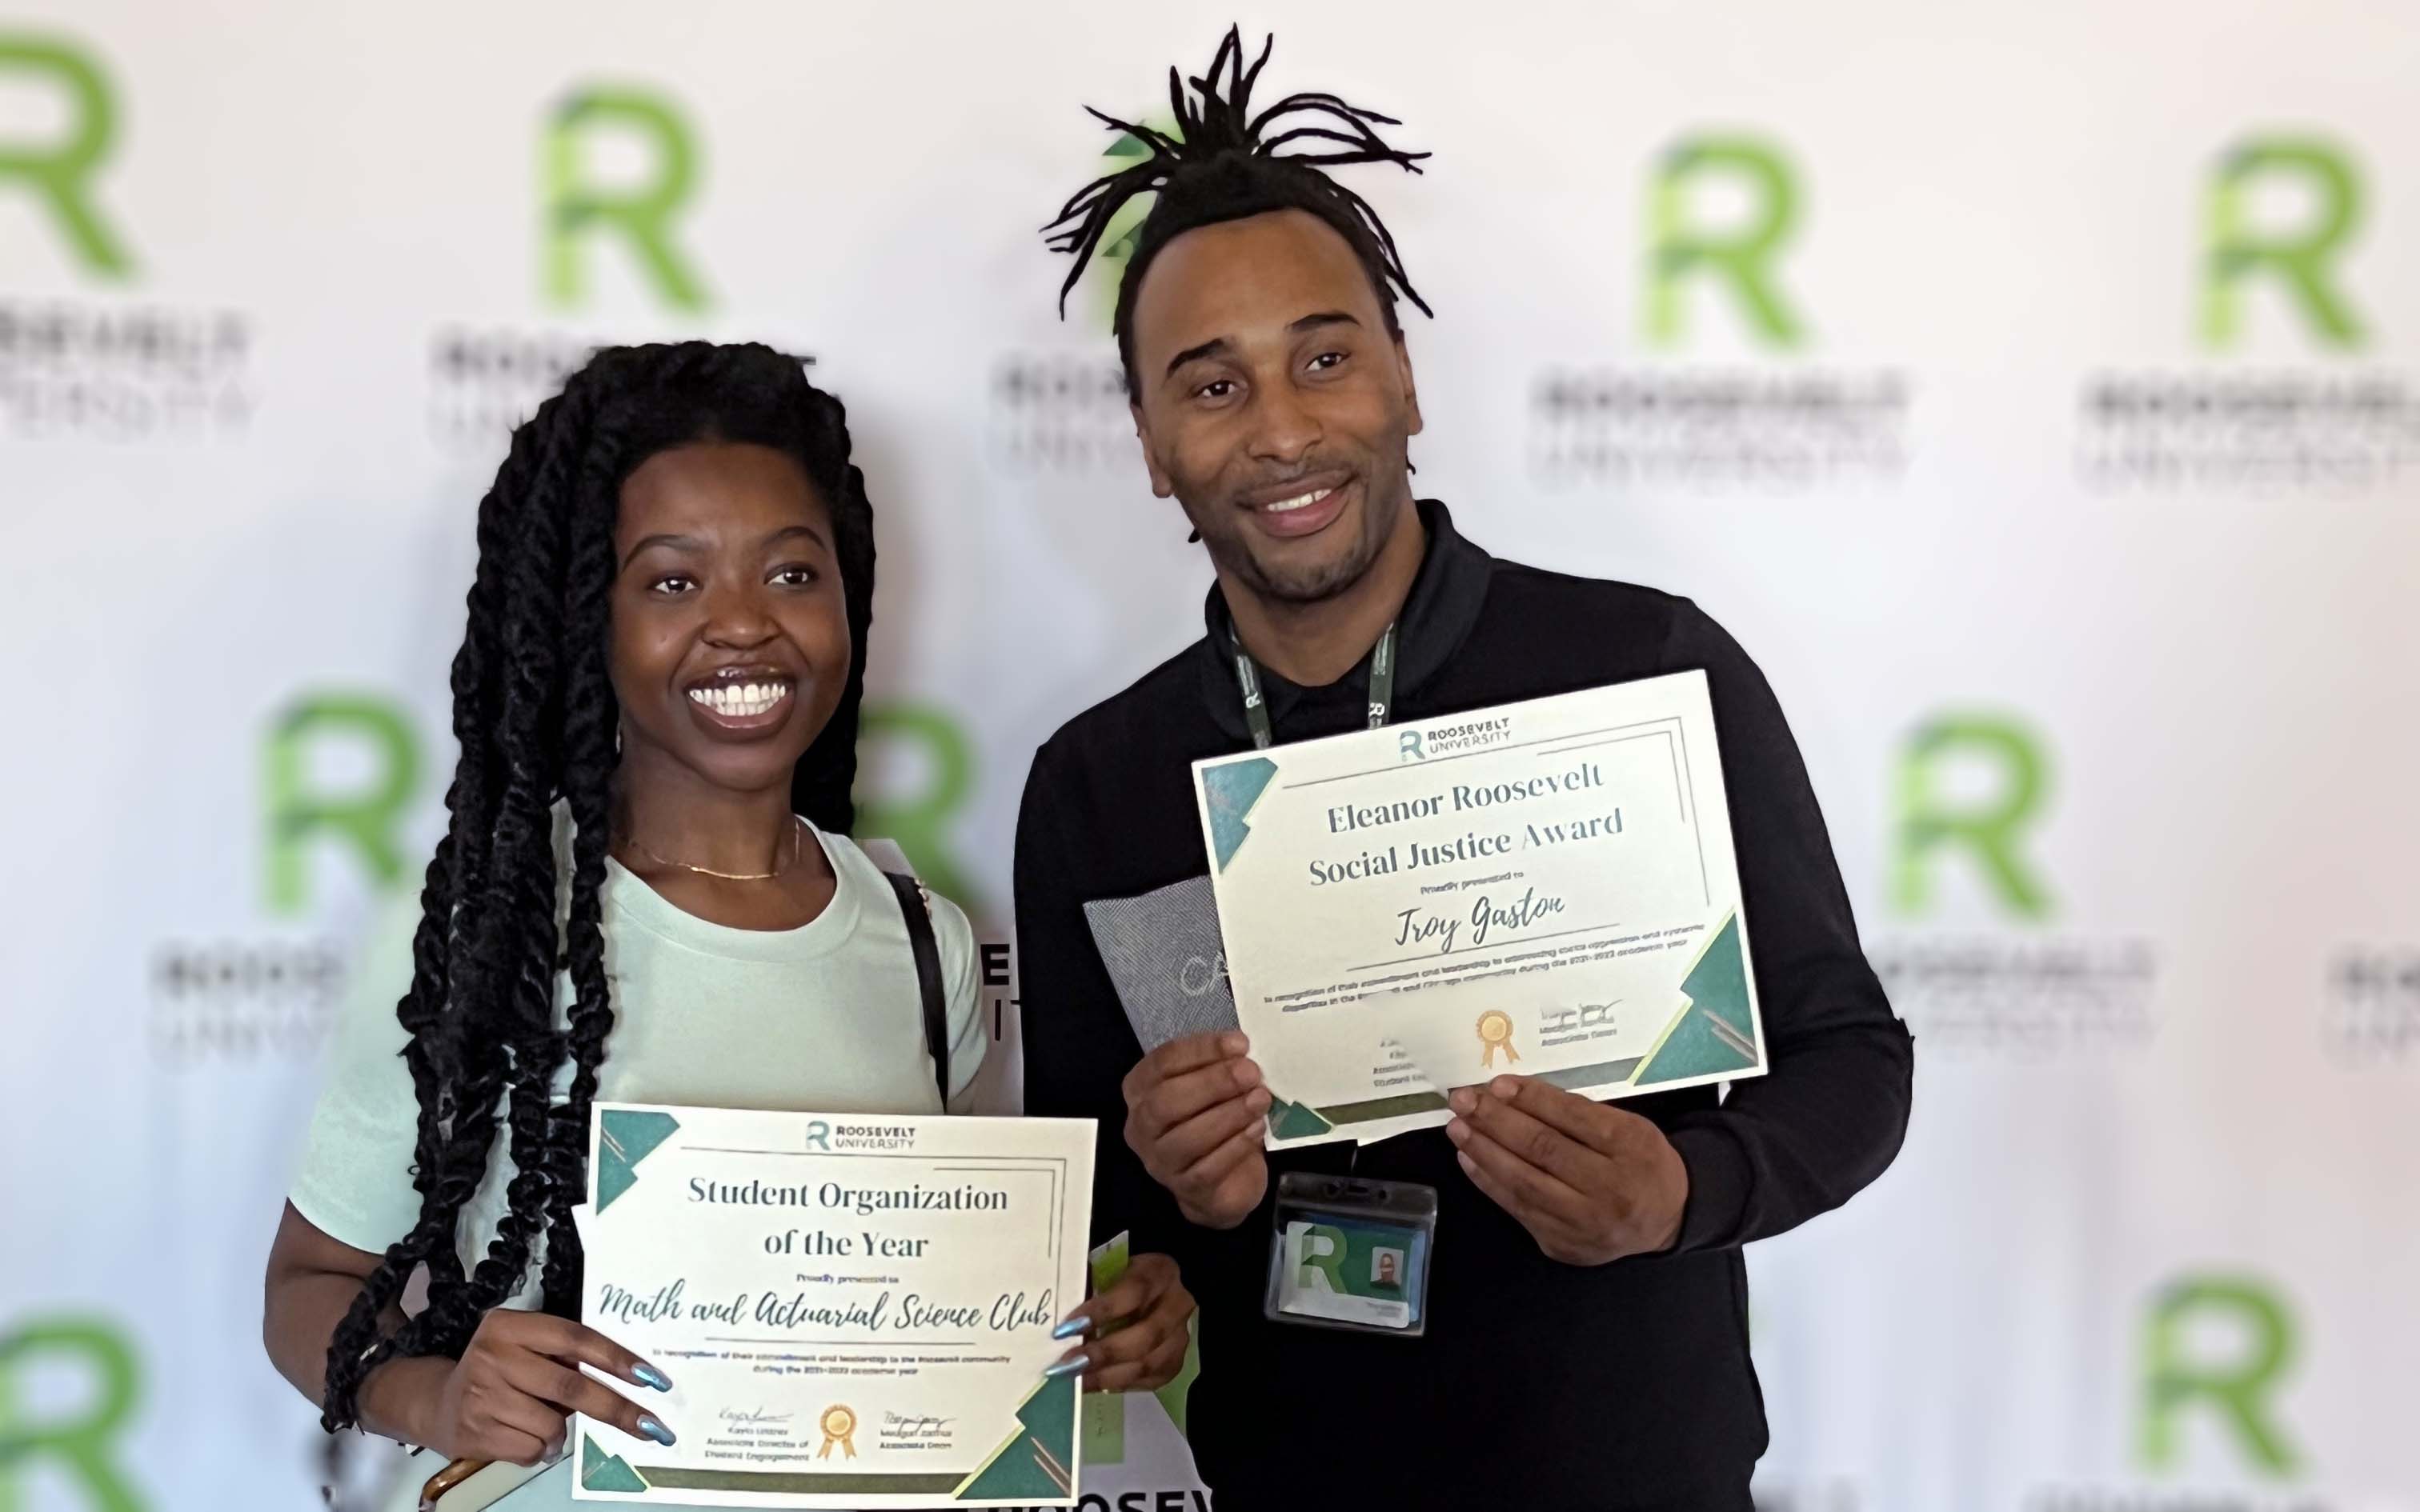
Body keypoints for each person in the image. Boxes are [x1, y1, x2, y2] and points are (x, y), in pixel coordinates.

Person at [1016, 33, 1913, 1510]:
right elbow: (1091, 1204)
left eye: (1325, 355)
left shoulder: (1646, 672)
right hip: (1291, 1482)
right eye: (1212, 384)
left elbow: (1854, 1063)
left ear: (1407, 381)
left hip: (1634, 1476)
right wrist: (1176, 1202)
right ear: (1151, 448)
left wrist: (1683, 1191)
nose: (1285, 426)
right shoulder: (1100, 782)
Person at [261, 342, 1193, 1510]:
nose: (743, 626)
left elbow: (944, 1310)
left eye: (793, 575)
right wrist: (434, 1394)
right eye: (672, 582)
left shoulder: (921, 940)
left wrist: (1104, 1328)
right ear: (583, 618)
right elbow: (309, 1280)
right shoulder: (486, 926)